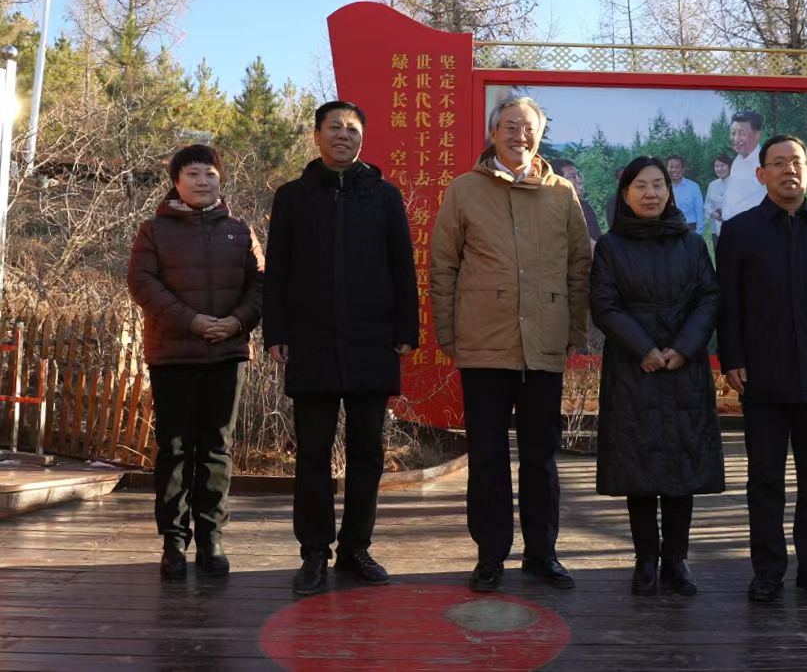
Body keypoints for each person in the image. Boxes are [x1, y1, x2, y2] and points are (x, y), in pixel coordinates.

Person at [431, 96, 592, 593]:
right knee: (487, 455)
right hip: (484, 341)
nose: (519, 134)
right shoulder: (464, 190)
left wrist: (575, 331)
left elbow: (579, 267)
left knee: (541, 456)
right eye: (509, 125)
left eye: (528, 127)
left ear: (540, 135)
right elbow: (443, 266)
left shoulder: (562, 194)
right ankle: (490, 555)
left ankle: (543, 553)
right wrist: (449, 334)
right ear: (492, 132)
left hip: (543, 342)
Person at [263, 101, 420, 596]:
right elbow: (277, 270)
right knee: (312, 451)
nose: (344, 135)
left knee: (367, 452)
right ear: (316, 136)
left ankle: (356, 548)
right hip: (310, 340)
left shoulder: (384, 195)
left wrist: (407, 328)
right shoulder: (293, 197)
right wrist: (276, 331)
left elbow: (402, 267)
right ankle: (314, 552)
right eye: (334, 127)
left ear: (362, 138)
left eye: (353, 129)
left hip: (372, 339)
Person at [717, 134, 807, 605]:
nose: (789, 170)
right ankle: (767, 571)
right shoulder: (739, 231)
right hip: (761, 374)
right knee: (765, 479)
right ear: (762, 175)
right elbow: (729, 305)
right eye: (778, 163)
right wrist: (732, 358)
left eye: (796, 162)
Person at [128, 144, 263, 580]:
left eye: (210, 174)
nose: (202, 181)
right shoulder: (153, 230)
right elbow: (142, 284)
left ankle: (211, 538)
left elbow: (261, 284)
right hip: (172, 354)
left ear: (221, 180)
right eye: (192, 174)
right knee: (174, 448)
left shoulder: (240, 231)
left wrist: (237, 322)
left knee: (217, 448)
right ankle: (173, 541)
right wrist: (192, 321)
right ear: (176, 182)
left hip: (227, 353)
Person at [591, 156, 724, 596]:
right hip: (634, 367)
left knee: (682, 464)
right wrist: (644, 348)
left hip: (684, 366)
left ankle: (677, 559)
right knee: (640, 465)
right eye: (641, 186)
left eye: (658, 185)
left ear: (670, 191)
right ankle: (646, 558)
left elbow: (709, 298)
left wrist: (684, 348)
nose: (651, 193)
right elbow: (604, 305)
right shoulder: (611, 246)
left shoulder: (691, 244)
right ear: (625, 195)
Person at [718, 111, 765, 225]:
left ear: (757, 135)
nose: (735, 139)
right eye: (733, 133)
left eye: (742, 133)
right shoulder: (737, 160)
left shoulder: (765, 163)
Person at [554, 158, 602, 243]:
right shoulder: (575, 209)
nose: (579, 180)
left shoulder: (583, 206)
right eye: (572, 177)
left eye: (579, 175)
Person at [665, 154, 706, 231]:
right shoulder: (663, 187)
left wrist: (699, 231)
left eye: (677, 167)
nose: (674, 170)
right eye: (671, 167)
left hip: (690, 227)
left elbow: (700, 211)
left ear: (683, 169)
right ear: (666, 169)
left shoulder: (693, 187)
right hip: (669, 228)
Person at [704, 153, 732, 244]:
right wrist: (713, 213)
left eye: (722, 165)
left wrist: (723, 214)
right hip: (715, 230)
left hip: (733, 229)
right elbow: (707, 204)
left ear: (729, 166)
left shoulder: (737, 184)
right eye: (716, 166)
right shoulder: (712, 185)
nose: (719, 169)